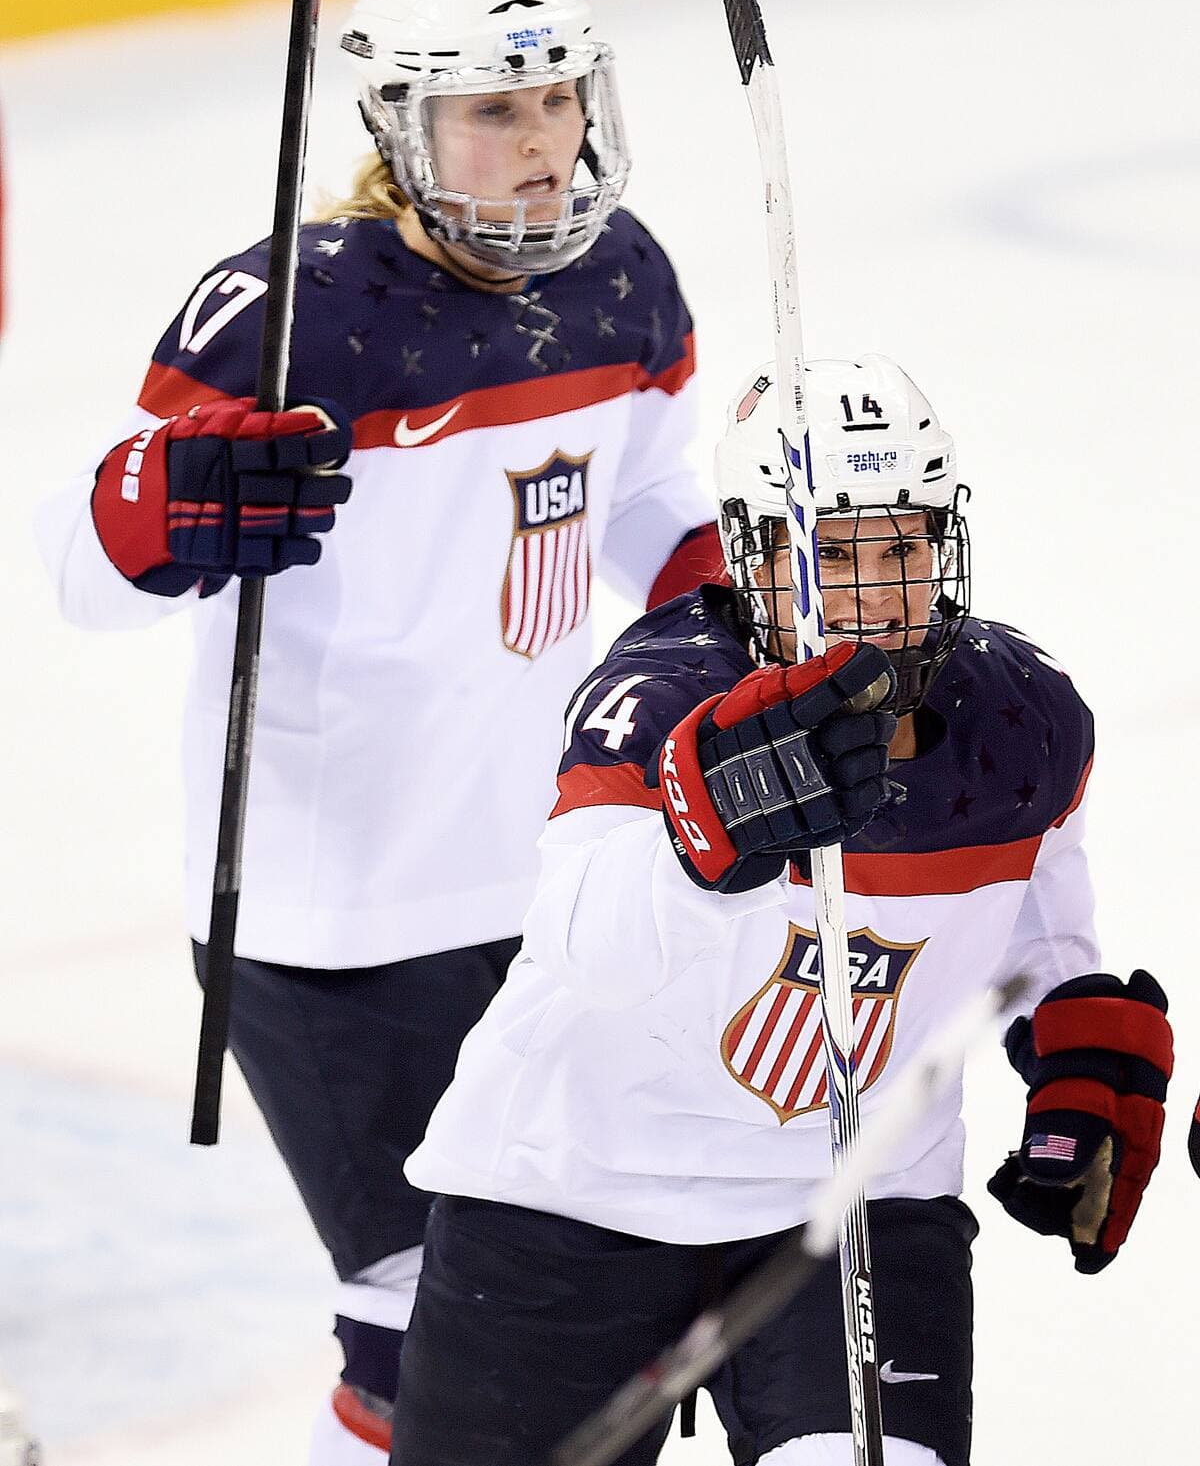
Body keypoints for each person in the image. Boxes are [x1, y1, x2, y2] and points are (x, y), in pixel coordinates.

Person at [35, 0, 718, 1464]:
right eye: (494, 110)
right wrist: (175, 503)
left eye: (555, 99)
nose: (540, 143)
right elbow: (84, 571)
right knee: (429, 1336)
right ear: (403, 129)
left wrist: (734, 603)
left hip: (548, 883)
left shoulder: (626, 277)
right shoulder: (291, 316)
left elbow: (649, 503)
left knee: (585, 1311)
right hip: (327, 924)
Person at [388, 354, 1174, 1466]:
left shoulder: (1026, 721)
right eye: (835, 557)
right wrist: (702, 833)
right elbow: (585, 944)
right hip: (571, 1195)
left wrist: (1076, 1049)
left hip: (859, 1197)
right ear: (755, 554)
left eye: (903, 547)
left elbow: (1037, 936)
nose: (880, 600)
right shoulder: (662, 696)